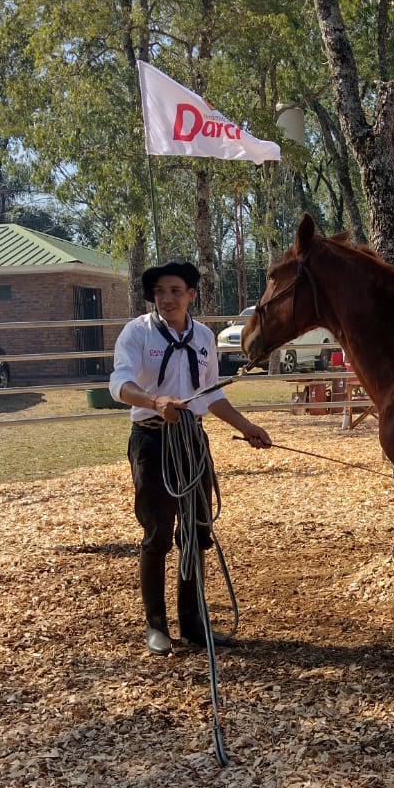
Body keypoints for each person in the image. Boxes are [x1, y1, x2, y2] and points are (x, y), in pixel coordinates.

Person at [109, 260, 273, 656]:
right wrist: (154, 400)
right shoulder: (136, 333)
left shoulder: (203, 336)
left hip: (192, 440)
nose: (167, 298)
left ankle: (193, 623)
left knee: (197, 532)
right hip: (151, 439)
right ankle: (156, 625)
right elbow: (119, 384)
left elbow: (211, 394)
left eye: (175, 291)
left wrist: (247, 426)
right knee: (158, 533)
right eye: (161, 292)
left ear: (190, 295)